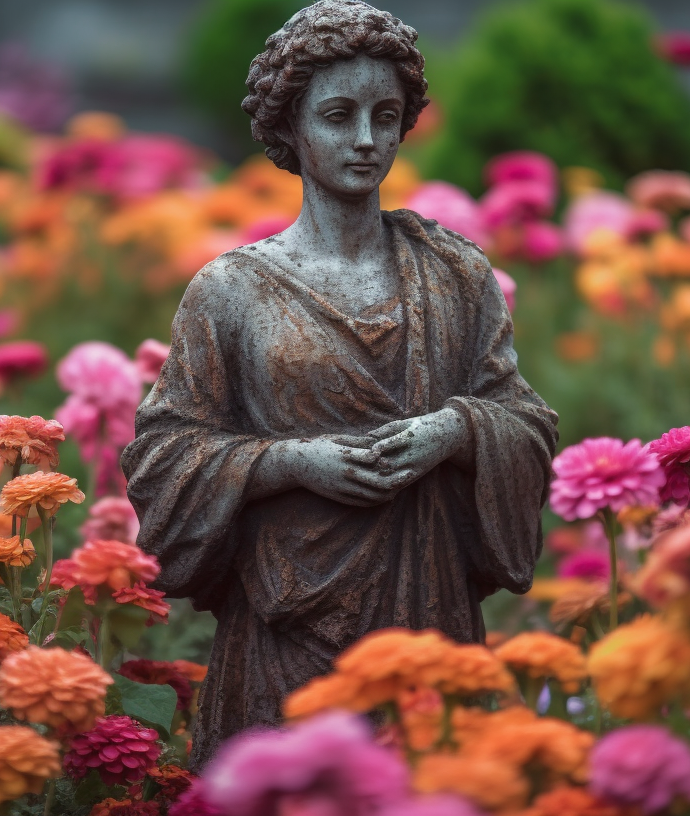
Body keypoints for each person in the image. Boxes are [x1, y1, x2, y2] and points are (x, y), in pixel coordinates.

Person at [119, 0, 557, 766]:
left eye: (385, 116)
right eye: (338, 115)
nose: (365, 139)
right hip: (283, 629)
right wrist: (290, 463)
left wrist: (454, 432)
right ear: (289, 126)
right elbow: (164, 454)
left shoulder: (454, 272)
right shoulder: (232, 291)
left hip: (427, 615)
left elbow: (522, 418)